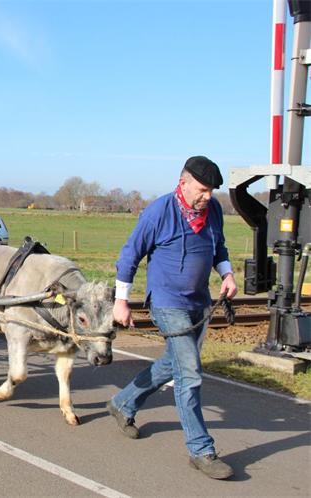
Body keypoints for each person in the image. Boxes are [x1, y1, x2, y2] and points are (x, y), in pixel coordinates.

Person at [107, 156, 238, 480]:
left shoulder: (213, 210)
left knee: (174, 363)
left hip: (199, 302)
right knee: (189, 374)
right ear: (183, 183)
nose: (208, 196)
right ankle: (201, 450)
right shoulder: (159, 212)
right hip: (167, 302)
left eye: (211, 191)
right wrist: (121, 302)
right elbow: (130, 255)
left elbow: (219, 247)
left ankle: (123, 403)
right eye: (202, 190)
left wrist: (227, 274)